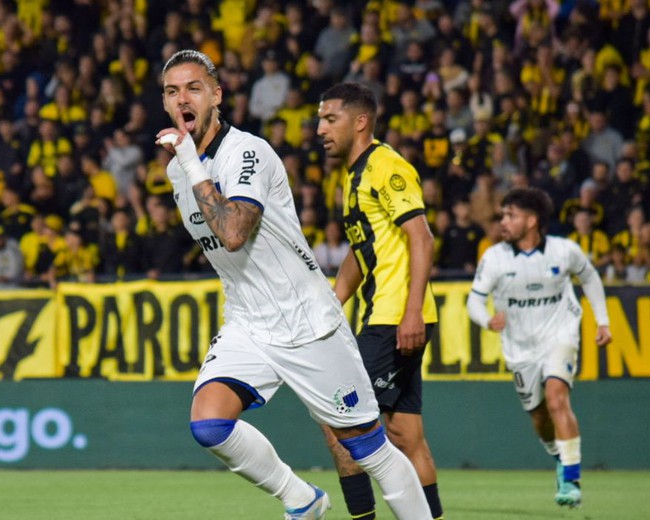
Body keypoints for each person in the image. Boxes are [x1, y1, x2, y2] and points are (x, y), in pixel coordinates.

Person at [155, 50, 432, 520]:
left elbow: (234, 232)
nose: (183, 98)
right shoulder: (176, 171)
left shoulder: (248, 152)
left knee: (370, 449)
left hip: (306, 320)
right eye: (172, 91)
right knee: (209, 424)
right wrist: (187, 162)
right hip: (248, 322)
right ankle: (302, 499)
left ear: (217, 96)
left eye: (194, 88)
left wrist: (191, 161)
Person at [316, 81, 444, 520]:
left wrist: (411, 312)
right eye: (320, 119)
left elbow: (421, 237)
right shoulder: (353, 175)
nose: (321, 128)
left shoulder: (387, 166)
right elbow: (360, 247)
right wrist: (335, 299)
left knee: (339, 420)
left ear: (360, 121)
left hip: (395, 317)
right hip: (389, 313)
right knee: (405, 433)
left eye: (330, 118)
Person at [466, 187, 613, 509]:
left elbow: (590, 278)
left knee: (557, 397)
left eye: (511, 215)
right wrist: (486, 320)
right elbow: (474, 300)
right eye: (503, 214)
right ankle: (561, 455)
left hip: (560, 334)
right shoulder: (494, 257)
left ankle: (572, 479)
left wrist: (603, 321)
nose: (503, 221)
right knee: (539, 417)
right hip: (520, 347)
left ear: (532, 221)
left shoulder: (564, 251)